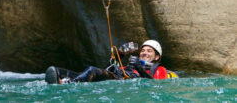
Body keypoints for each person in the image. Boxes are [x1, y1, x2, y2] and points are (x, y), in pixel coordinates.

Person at [45, 40, 175, 84]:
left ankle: (68, 85)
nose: (144, 53)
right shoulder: (130, 65)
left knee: (92, 71)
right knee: (59, 71)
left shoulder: (159, 69)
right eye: (143, 50)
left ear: (157, 57)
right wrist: (121, 53)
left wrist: (139, 69)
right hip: (119, 77)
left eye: (149, 51)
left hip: (123, 81)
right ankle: (60, 76)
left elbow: (155, 85)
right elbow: (110, 69)